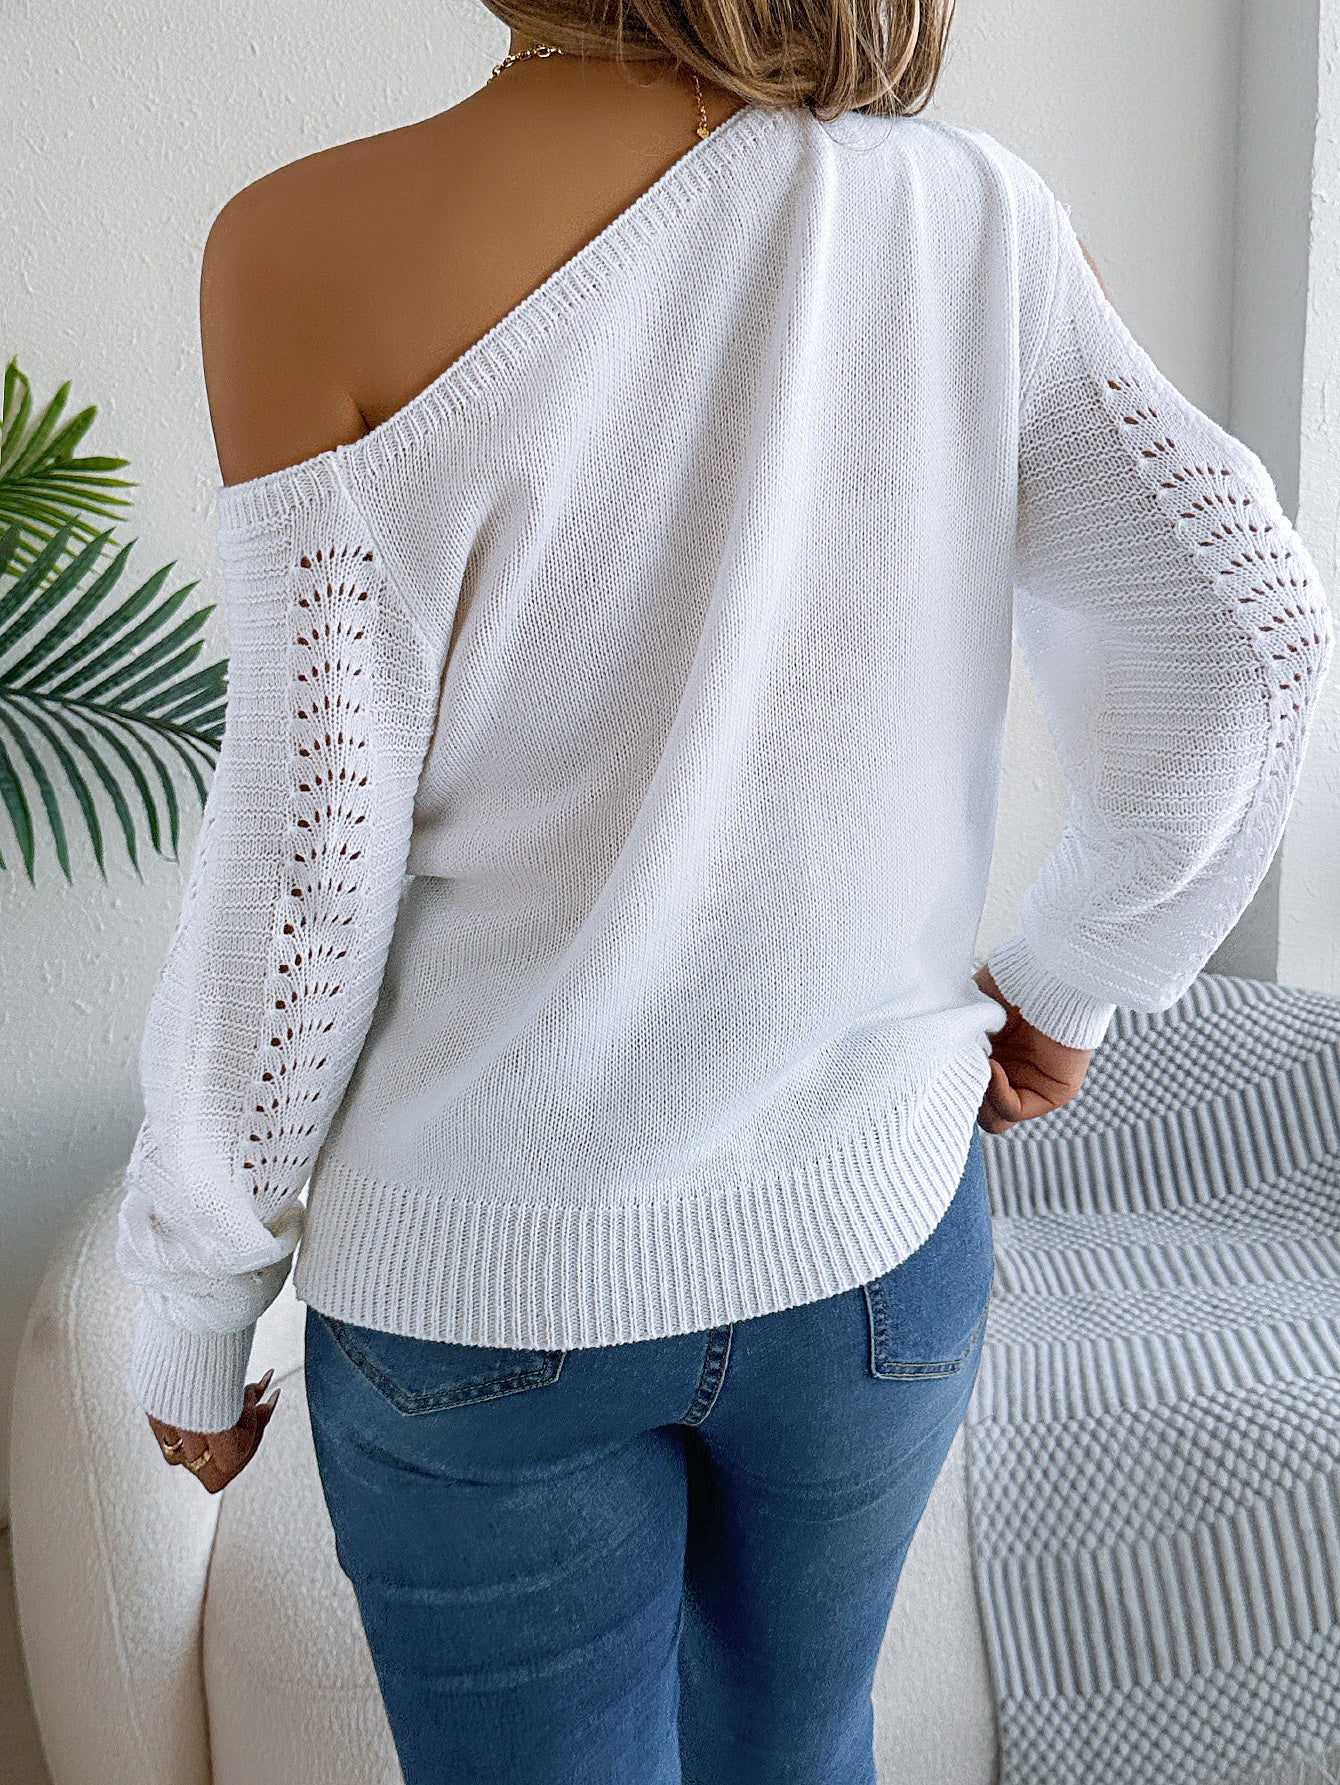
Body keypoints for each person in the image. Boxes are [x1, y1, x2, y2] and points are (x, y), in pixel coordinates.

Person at [116, 3, 1333, 1780]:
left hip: (486, 1291)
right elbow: (1255, 629)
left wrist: (196, 1291)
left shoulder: (303, 247)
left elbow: (304, 857)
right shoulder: (980, 218)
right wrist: (1082, 971)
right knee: (800, 1749)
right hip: (871, 1251)